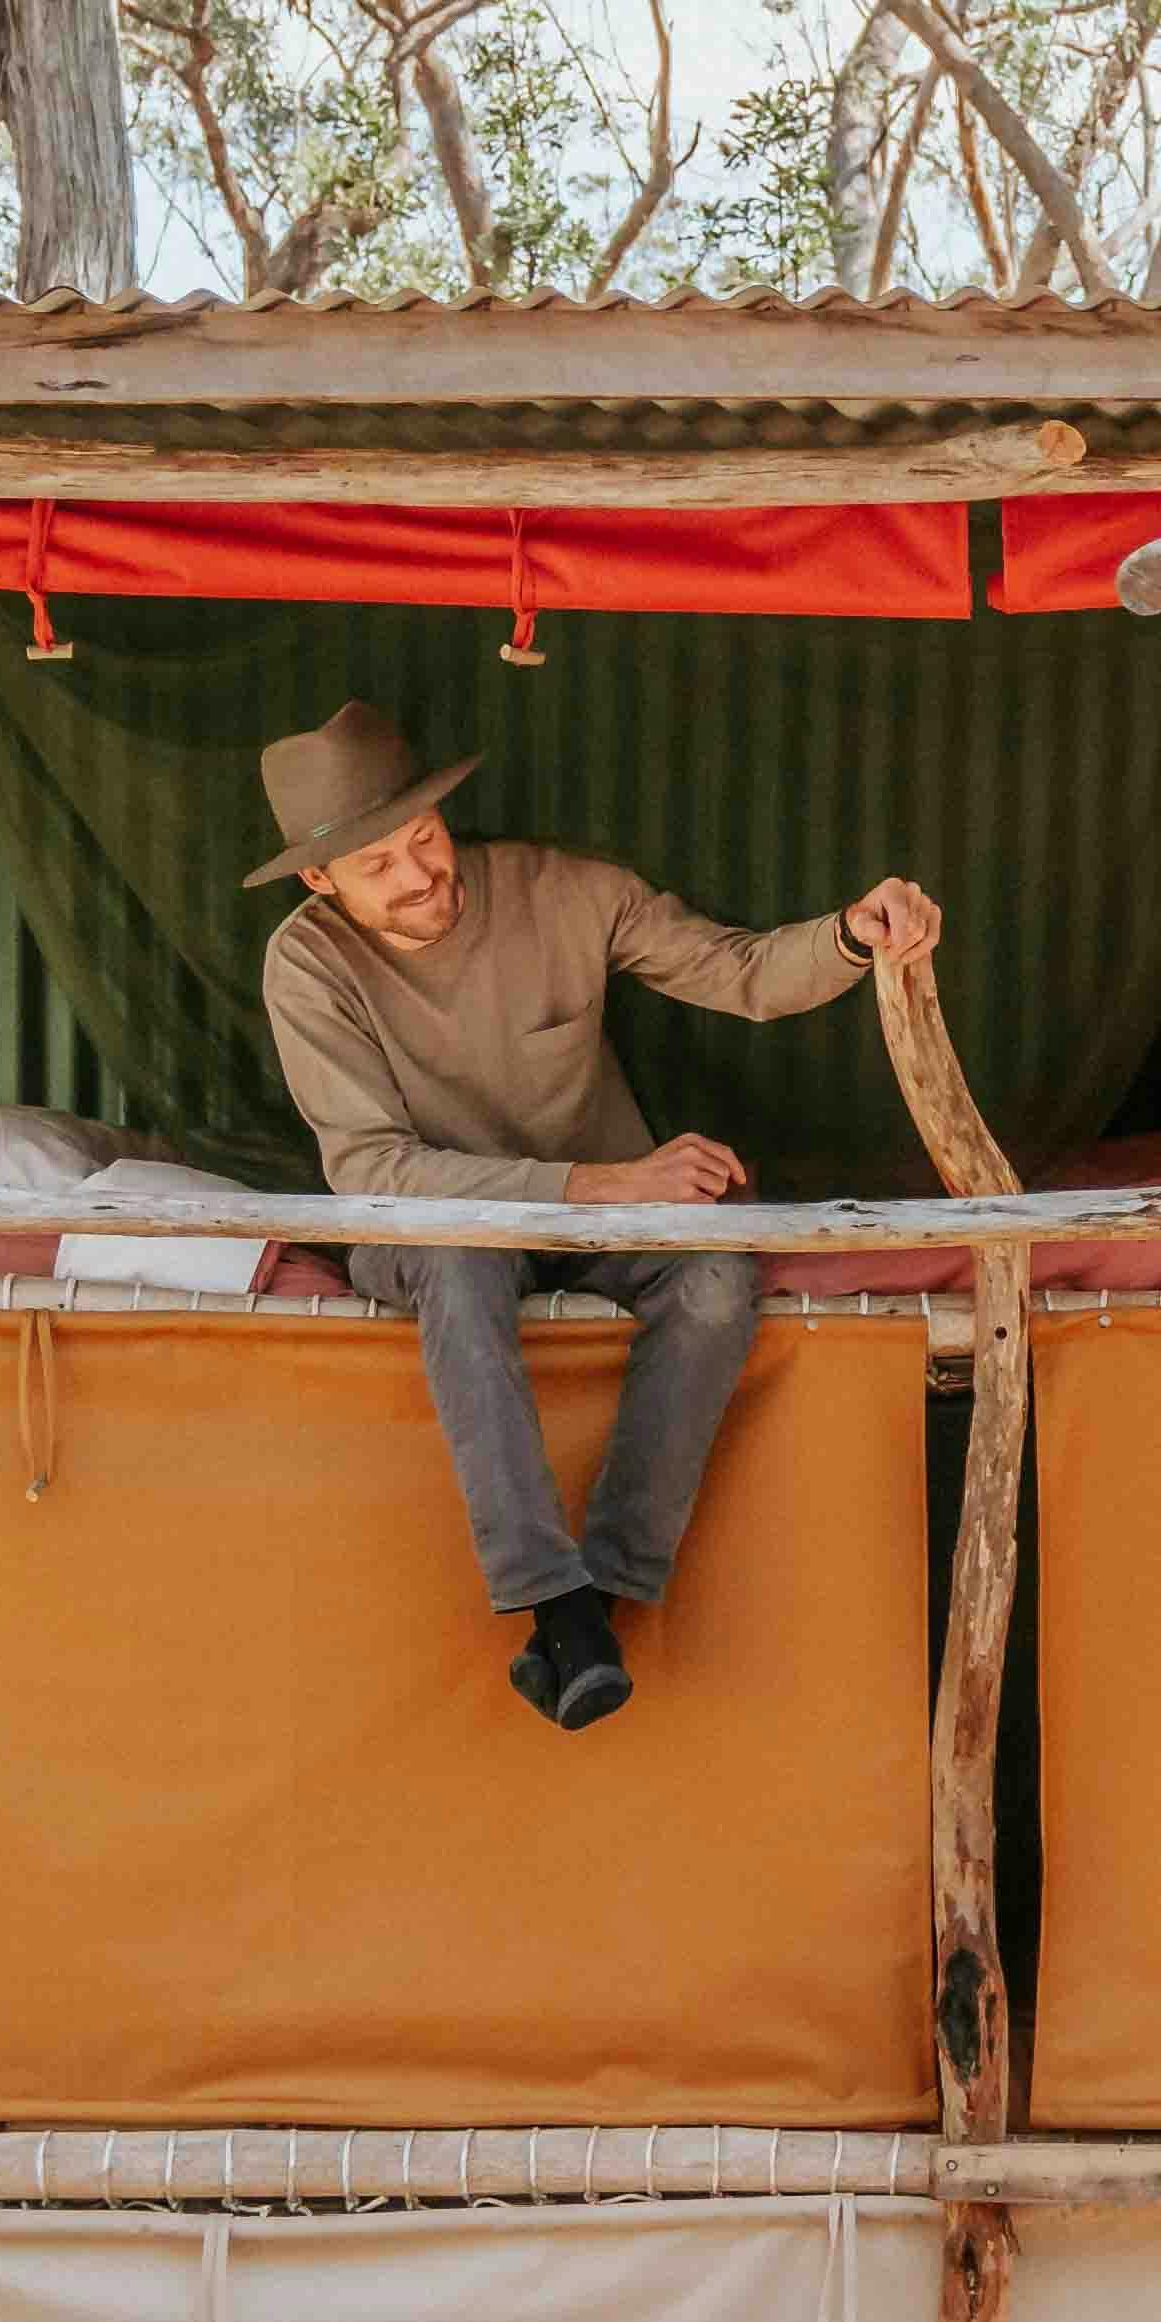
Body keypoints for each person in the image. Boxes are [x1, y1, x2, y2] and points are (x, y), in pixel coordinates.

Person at [246, 699, 942, 1731]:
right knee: (459, 1263)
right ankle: (545, 1588)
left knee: (715, 1269)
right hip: (439, 1228)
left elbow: (741, 971)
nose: (418, 875)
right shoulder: (304, 966)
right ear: (319, 879)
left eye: (423, 839)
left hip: (604, 1218)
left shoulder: (563, 891)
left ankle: (595, 1605)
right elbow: (373, 1172)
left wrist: (852, 932)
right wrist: (602, 1184)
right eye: (377, 866)